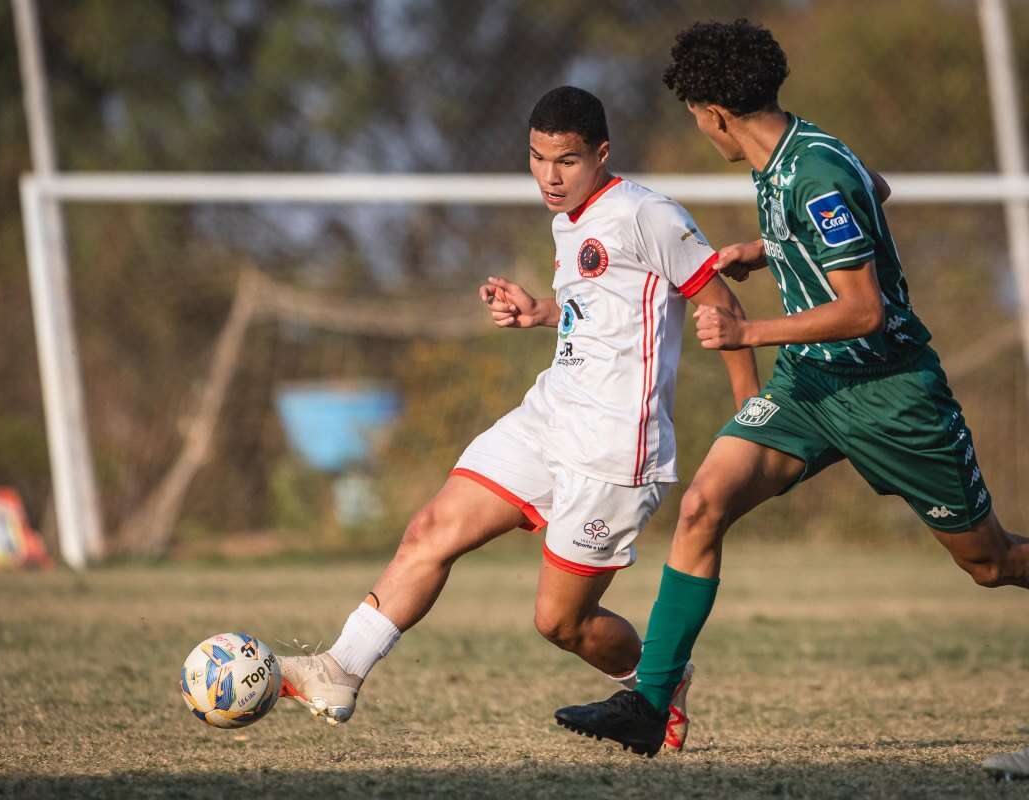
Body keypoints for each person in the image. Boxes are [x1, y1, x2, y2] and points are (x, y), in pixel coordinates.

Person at [554, 19, 1029, 758]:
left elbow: (865, 308)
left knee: (990, 563)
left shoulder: (811, 171)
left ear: (713, 113)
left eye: (694, 116)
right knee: (706, 506)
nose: (699, 127)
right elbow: (877, 186)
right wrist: (766, 247)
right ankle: (651, 704)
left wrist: (747, 334)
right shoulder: (790, 156)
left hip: (890, 393)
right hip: (811, 385)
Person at [278, 85, 759, 752]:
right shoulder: (567, 222)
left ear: (601, 153)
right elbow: (604, 310)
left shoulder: (647, 214)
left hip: (615, 449)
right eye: (537, 158)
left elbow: (720, 305)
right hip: (549, 414)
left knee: (561, 622)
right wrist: (539, 311)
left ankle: (658, 684)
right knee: (431, 527)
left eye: (566, 161)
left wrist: (748, 419)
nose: (549, 177)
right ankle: (339, 669)